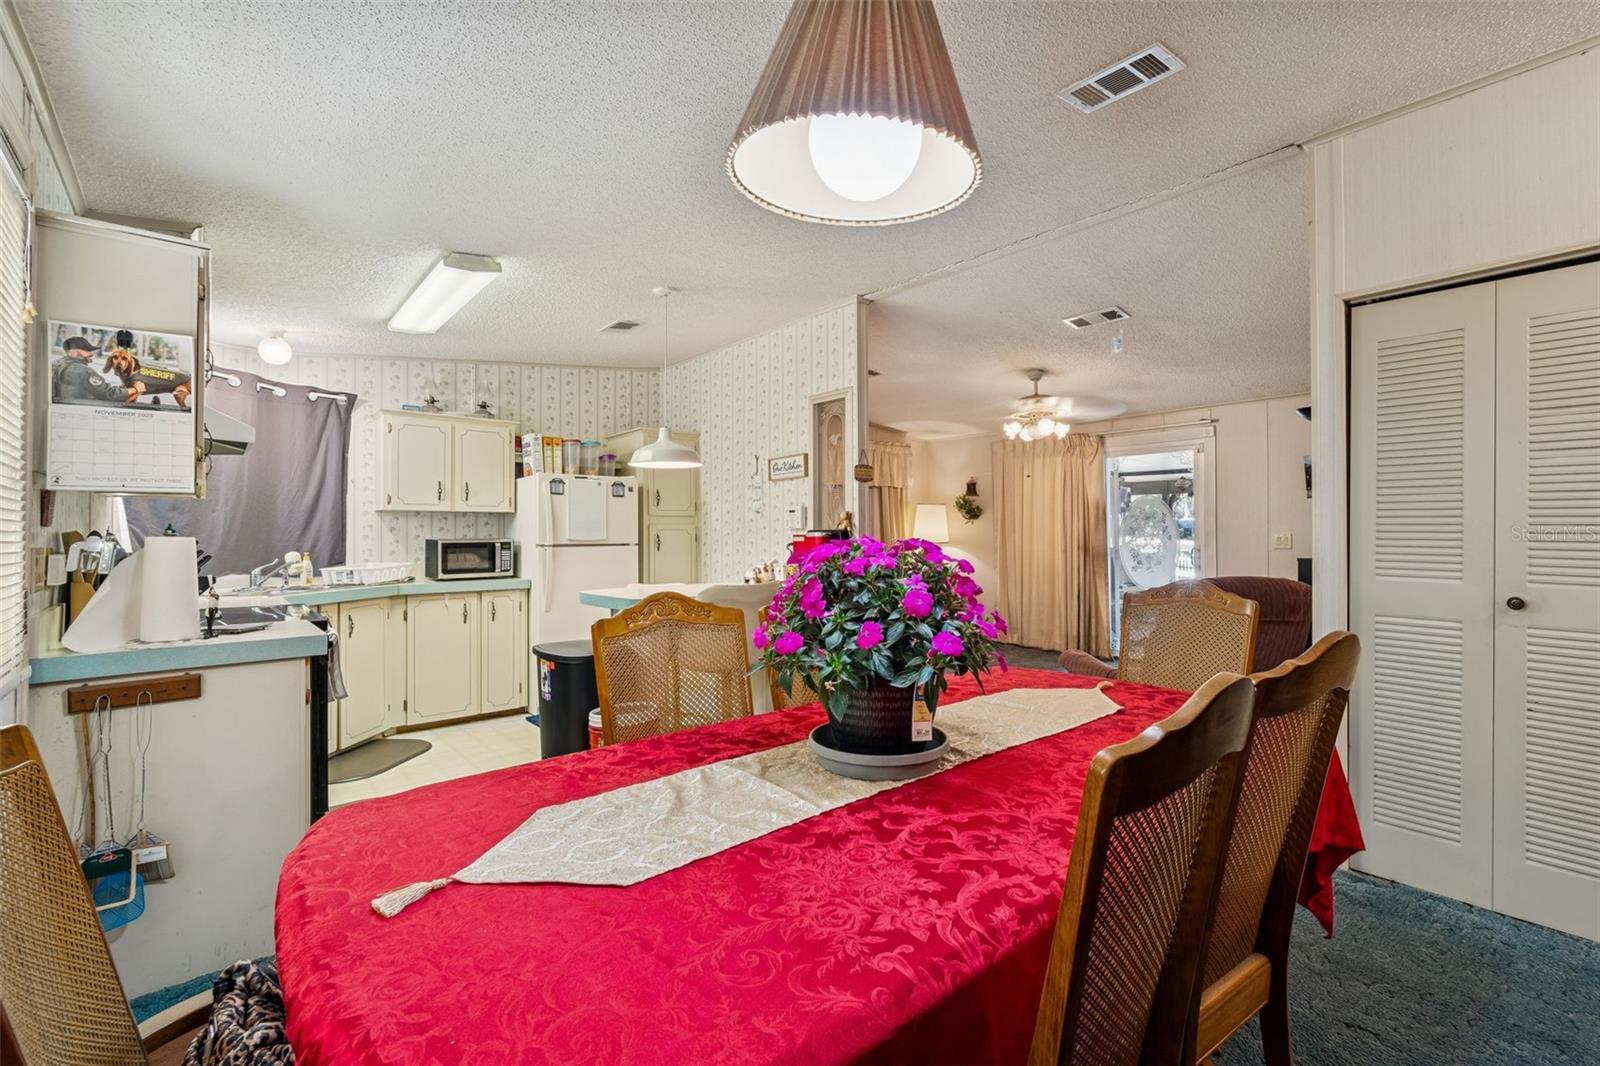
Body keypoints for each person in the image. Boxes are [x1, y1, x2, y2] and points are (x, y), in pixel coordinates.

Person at [52, 336, 144, 405]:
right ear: (74, 353)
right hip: (85, 407)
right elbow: (110, 395)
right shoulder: (84, 371)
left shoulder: (56, 363)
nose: (91, 354)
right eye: (87, 350)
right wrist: (136, 389)